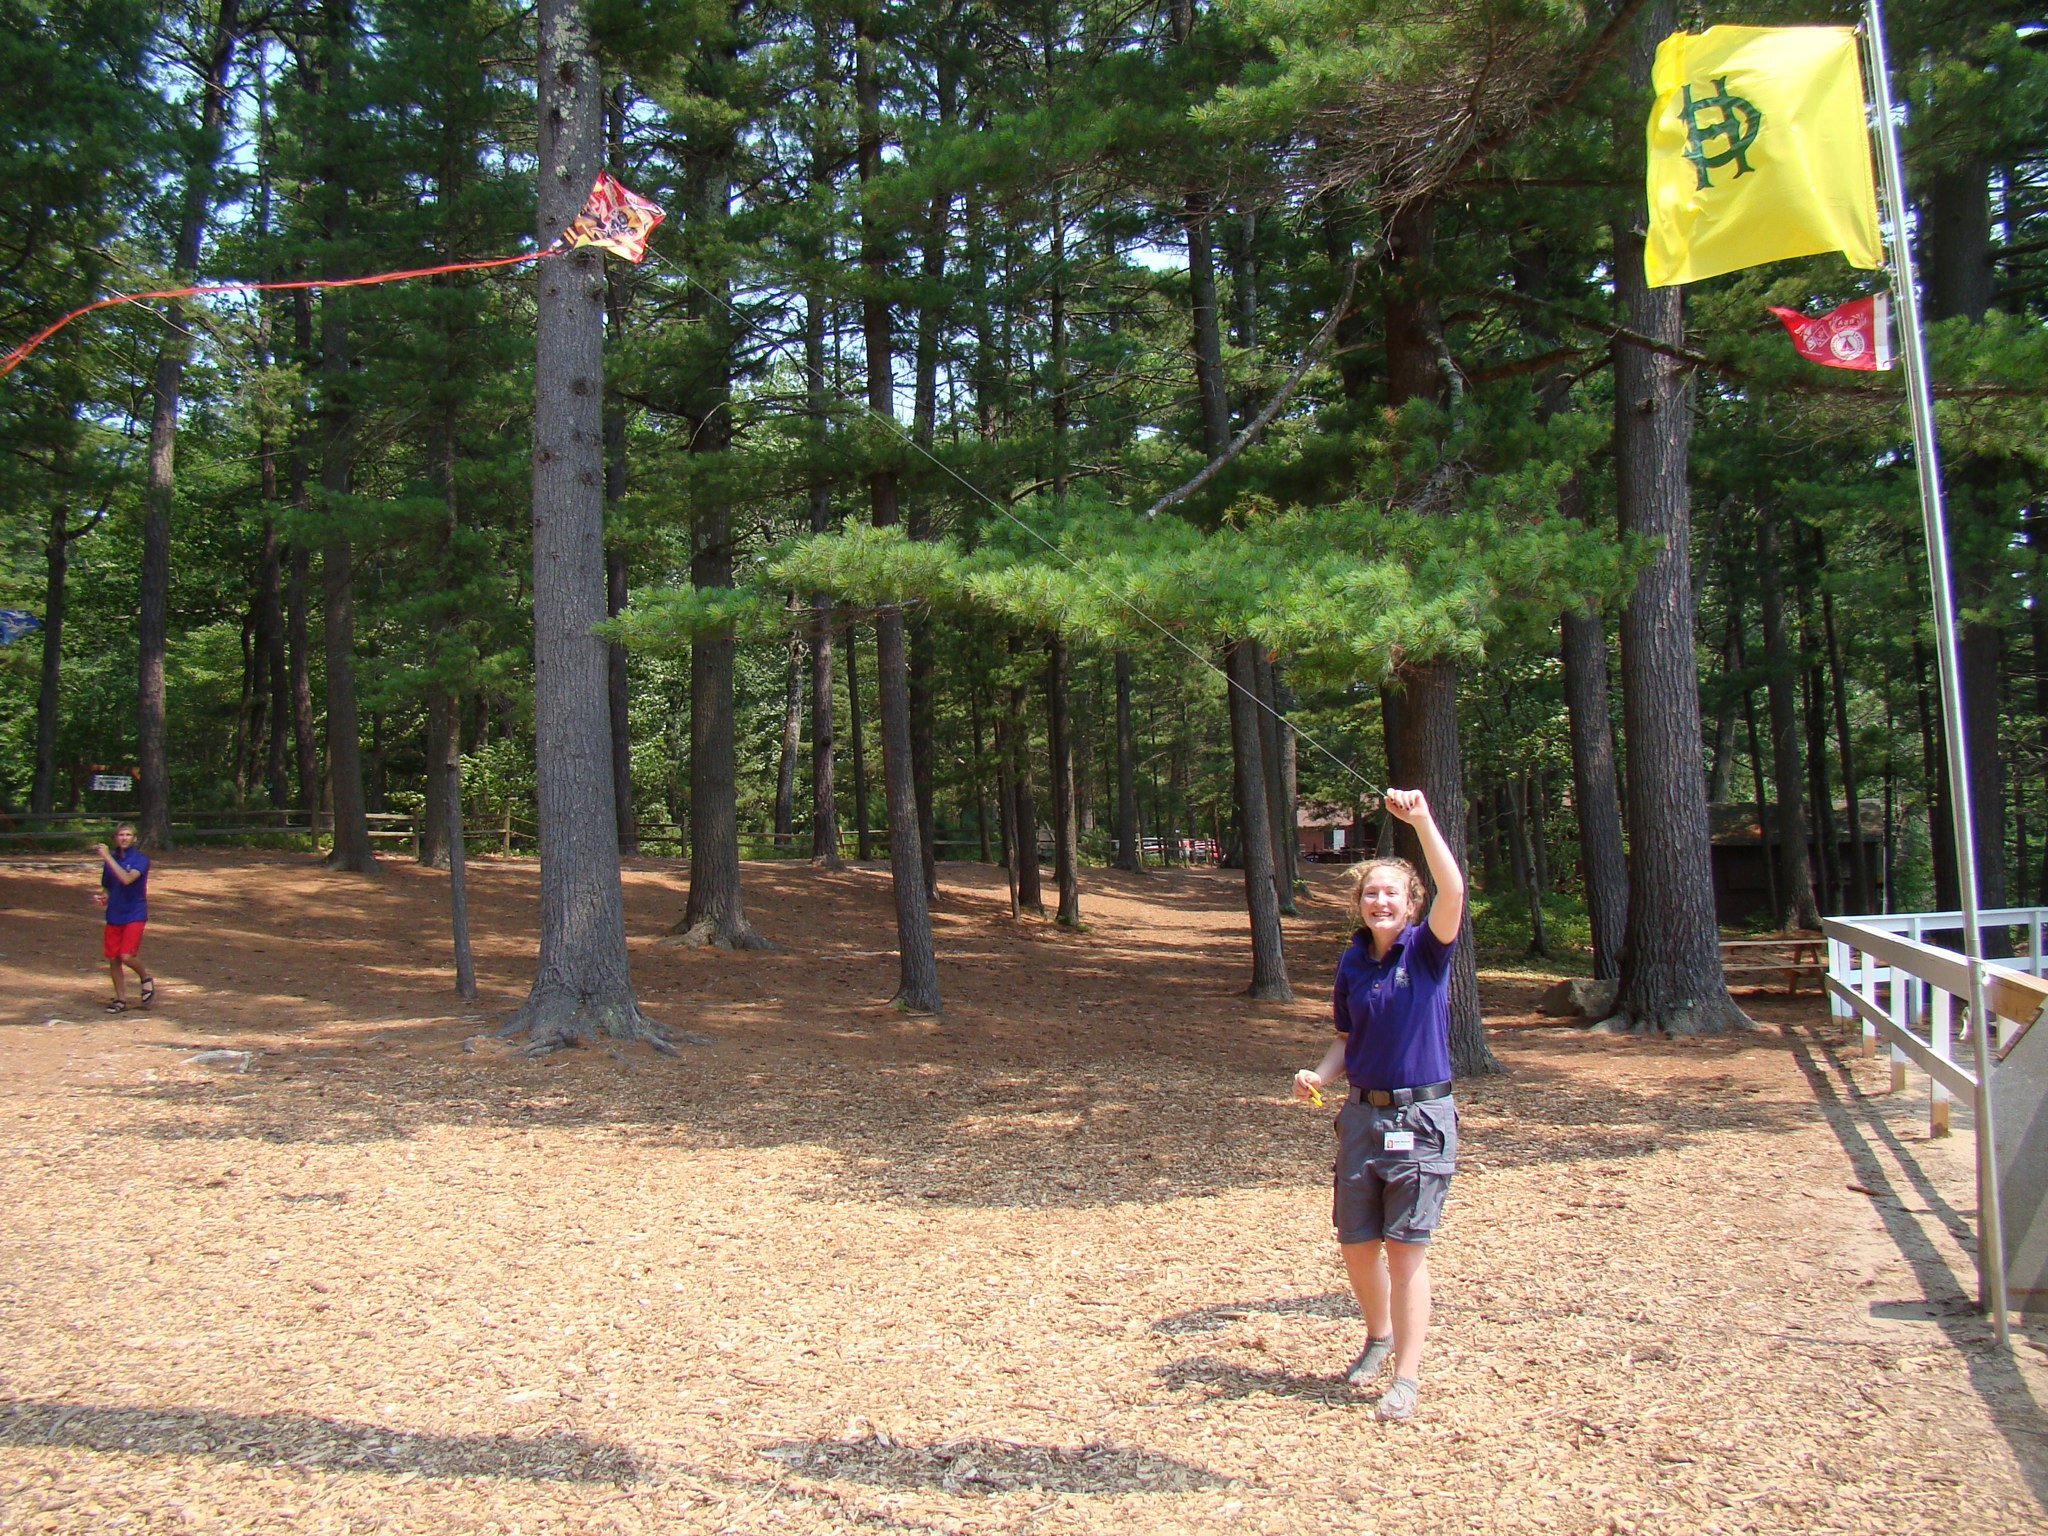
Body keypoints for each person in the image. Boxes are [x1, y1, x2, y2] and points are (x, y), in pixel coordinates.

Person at [1294, 787, 1465, 1423]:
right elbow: (1345, 1041)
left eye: (1392, 892)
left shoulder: (1426, 950)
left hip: (1420, 1120)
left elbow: (1454, 893)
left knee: (1405, 1248)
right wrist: (1319, 1074)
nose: (1381, 901)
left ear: (1410, 904)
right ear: (1359, 904)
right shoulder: (1352, 962)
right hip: (1362, 1116)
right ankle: (1378, 1337)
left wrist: (1422, 821)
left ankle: (1407, 1378)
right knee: (1357, 1242)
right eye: (1371, 893)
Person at [93, 823, 155, 1013]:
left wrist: (107, 857)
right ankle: (120, 999)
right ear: (115, 838)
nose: (124, 838)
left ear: (134, 838)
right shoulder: (110, 861)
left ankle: (145, 977)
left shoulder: (141, 860)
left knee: (126, 956)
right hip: (114, 914)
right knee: (113, 959)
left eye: (128, 835)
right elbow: (109, 886)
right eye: (121, 835)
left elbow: (127, 879)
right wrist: (104, 897)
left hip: (134, 913)